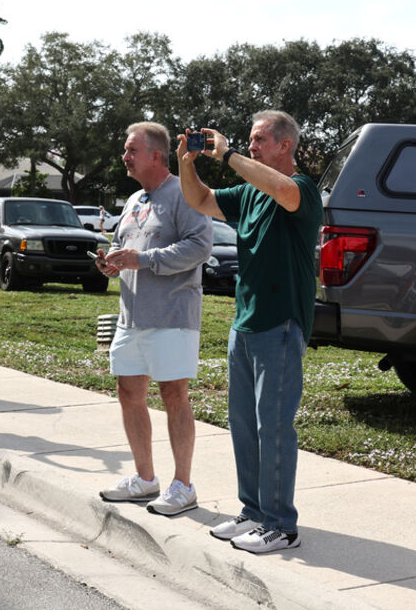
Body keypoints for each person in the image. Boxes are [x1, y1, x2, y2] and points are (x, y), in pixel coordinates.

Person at [177, 111, 322, 553]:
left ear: (284, 145)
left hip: (280, 323)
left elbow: (282, 191)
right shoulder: (248, 193)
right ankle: (255, 512)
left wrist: (230, 154)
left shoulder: (302, 189)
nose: (252, 145)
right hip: (245, 323)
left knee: (274, 426)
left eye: (259, 140)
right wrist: (187, 162)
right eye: (250, 141)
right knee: (243, 424)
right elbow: (200, 201)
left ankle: (282, 525)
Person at [96, 122, 212, 516]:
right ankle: (145, 479)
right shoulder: (133, 199)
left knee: (173, 395)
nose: (124, 157)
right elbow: (122, 246)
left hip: (171, 316)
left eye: (131, 150)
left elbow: (200, 246)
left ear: (156, 156)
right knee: (128, 393)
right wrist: (112, 262)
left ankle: (183, 486)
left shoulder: (183, 192)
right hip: (131, 316)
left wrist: (142, 260)